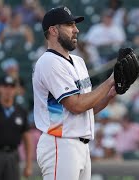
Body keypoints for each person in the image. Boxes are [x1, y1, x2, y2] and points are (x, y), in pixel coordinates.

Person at [33, 6, 117, 180]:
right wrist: (109, 81)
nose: (76, 29)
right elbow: (76, 105)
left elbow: (87, 110)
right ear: (53, 30)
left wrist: (109, 94)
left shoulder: (78, 61)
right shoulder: (49, 62)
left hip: (81, 146)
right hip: (60, 143)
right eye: (69, 25)